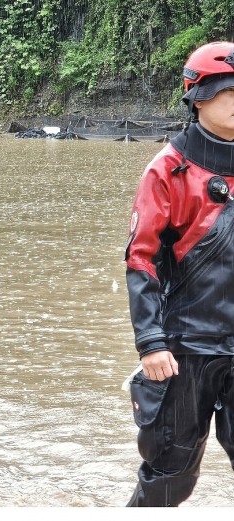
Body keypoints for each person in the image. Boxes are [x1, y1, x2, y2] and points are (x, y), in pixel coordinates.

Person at [124, 41, 234, 506]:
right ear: (199, 97)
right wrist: (151, 342)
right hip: (186, 347)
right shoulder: (167, 170)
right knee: (170, 473)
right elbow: (141, 259)